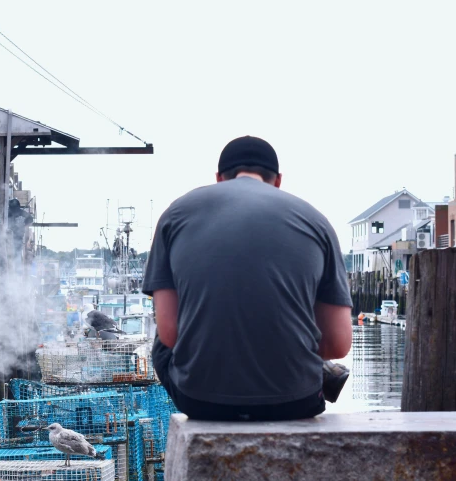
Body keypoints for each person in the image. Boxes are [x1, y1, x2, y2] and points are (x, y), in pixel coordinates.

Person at [143, 136, 353, 421]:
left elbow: (169, 333)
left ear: (220, 178)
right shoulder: (316, 220)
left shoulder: (175, 214)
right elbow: (338, 344)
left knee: (160, 336)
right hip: (295, 401)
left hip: (202, 401)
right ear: (277, 180)